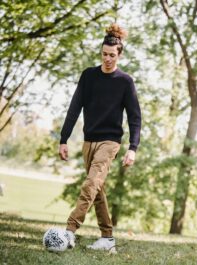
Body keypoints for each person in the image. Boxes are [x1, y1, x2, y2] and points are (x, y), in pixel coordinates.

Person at [58, 23, 141, 252]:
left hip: (110, 142)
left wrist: (132, 147)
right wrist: (64, 139)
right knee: (97, 190)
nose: (107, 59)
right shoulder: (88, 76)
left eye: (112, 55)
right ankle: (107, 238)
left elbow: (135, 117)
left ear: (119, 55)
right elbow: (74, 108)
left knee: (91, 184)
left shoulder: (125, 82)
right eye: (104, 54)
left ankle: (69, 232)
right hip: (89, 141)